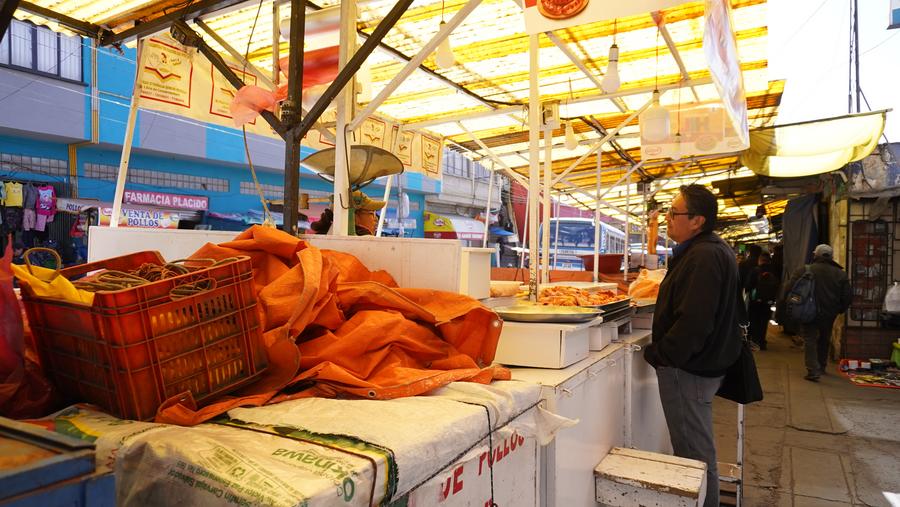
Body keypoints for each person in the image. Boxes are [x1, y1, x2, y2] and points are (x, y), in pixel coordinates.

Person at [643, 184, 742, 507]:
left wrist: (662, 355)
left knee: (693, 455)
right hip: (699, 366)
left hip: (689, 370)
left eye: (674, 213)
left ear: (697, 221)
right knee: (696, 450)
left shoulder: (704, 256)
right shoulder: (708, 250)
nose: (668, 218)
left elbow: (695, 322)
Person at [781, 244, 850, 382]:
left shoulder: (804, 270)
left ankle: (813, 370)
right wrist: (839, 309)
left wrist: (789, 304)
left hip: (808, 311)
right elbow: (847, 297)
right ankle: (822, 366)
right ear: (831, 257)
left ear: (815, 255)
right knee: (824, 338)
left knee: (810, 339)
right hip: (829, 313)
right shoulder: (840, 274)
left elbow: (788, 288)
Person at [310, 190, 386, 235]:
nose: (376, 219)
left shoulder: (324, 235)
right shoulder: (364, 239)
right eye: (372, 213)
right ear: (354, 216)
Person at [746, 252, 779, 351]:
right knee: (763, 322)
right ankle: (762, 342)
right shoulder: (774, 271)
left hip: (755, 301)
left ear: (760, 260)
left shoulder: (755, 270)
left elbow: (748, 285)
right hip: (768, 301)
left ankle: (753, 341)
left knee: (753, 320)